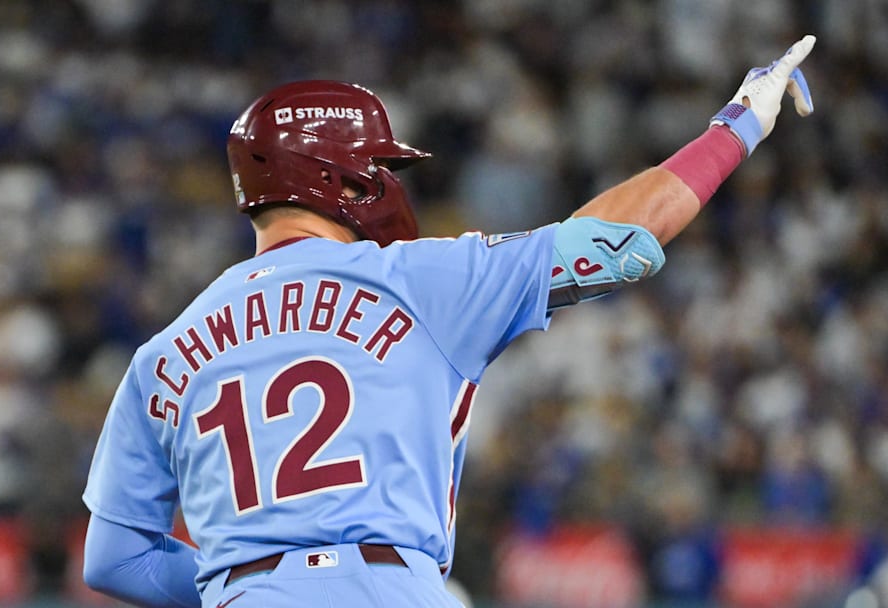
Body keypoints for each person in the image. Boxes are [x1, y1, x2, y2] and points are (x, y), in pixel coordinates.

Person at [81, 35, 817, 608]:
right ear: (338, 178)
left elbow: (115, 560)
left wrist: (244, 586)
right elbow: (618, 245)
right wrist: (740, 124)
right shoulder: (421, 280)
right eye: (379, 170)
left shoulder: (164, 352)